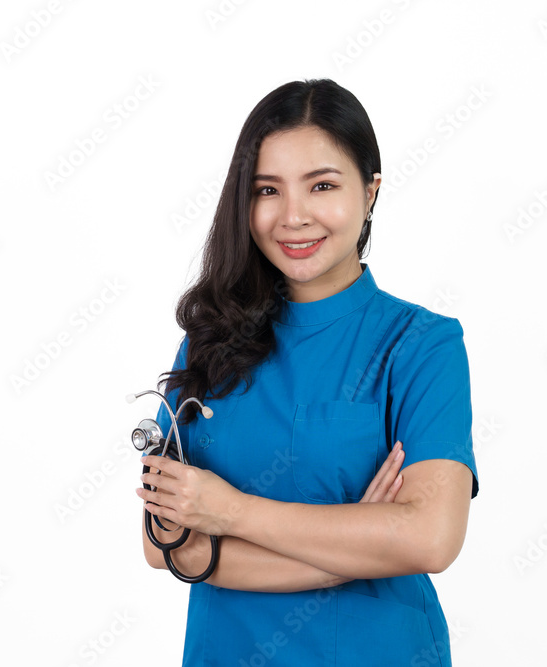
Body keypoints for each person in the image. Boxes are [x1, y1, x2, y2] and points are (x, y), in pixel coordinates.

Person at [136, 78, 479, 666]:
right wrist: (358, 545)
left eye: (322, 185)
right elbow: (167, 547)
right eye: (268, 189)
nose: (293, 216)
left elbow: (430, 538)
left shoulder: (422, 346)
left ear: (370, 192)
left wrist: (232, 513)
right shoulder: (208, 342)